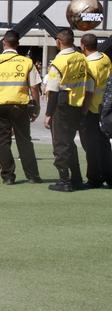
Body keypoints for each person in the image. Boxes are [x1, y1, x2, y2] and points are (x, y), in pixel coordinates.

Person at [0, 30, 43, 185]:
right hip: (20, 105)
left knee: (2, 141)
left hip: (0, 105)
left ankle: (8, 176)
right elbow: (34, 87)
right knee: (25, 140)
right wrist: (36, 106)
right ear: (18, 44)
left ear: (3, 42)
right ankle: (32, 176)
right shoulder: (27, 62)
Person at [44, 28, 92, 192]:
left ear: (58, 42)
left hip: (62, 104)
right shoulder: (82, 58)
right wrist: (85, 107)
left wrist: (48, 114)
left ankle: (64, 180)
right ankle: (76, 178)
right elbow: (89, 85)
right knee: (69, 142)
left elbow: (53, 91)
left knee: (60, 143)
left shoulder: (59, 62)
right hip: (77, 103)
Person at [78, 33, 112, 188]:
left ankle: (94, 178)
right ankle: (108, 175)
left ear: (83, 45)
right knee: (104, 144)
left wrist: (82, 111)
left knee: (90, 145)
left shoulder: (88, 64)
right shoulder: (105, 58)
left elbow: (88, 91)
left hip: (92, 109)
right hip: (105, 108)